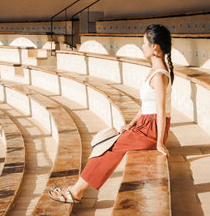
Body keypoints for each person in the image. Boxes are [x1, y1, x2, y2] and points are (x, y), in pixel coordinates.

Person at [49, 24, 174, 203]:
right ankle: (77, 189)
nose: (142, 46)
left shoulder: (159, 76)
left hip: (152, 129)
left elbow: (161, 112)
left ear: (154, 47)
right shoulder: (154, 71)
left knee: (109, 146)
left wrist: (160, 142)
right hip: (145, 124)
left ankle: (76, 191)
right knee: (106, 140)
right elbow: (147, 105)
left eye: (144, 43)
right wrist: (131, 124)